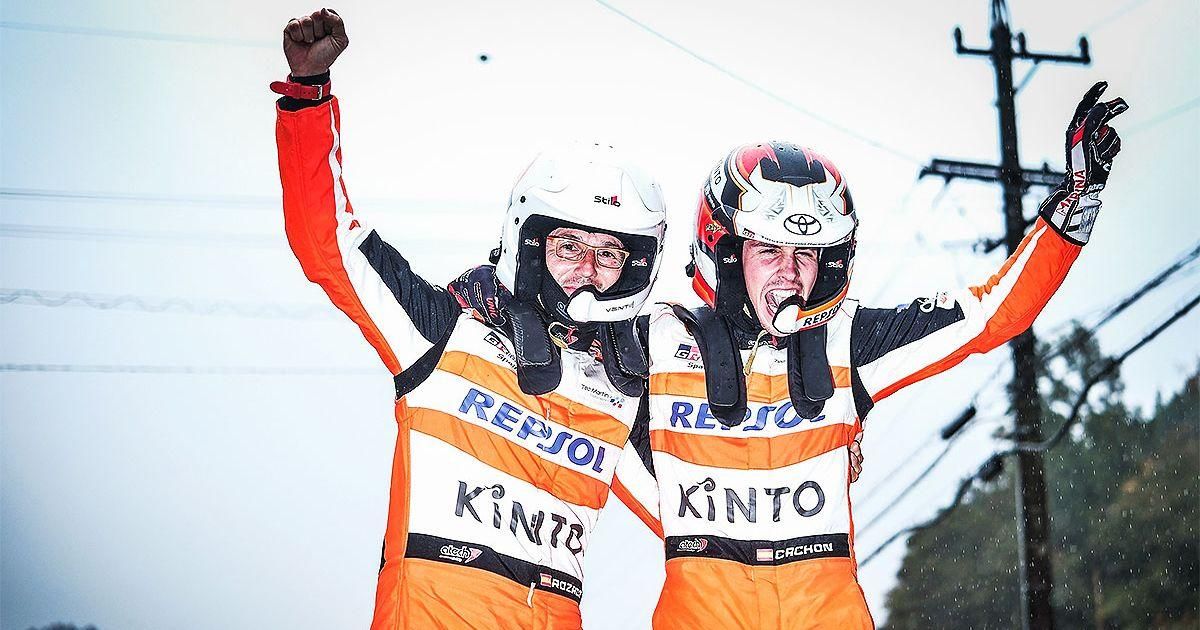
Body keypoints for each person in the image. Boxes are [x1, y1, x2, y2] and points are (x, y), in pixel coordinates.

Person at [453, 82, 1127, 628]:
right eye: (769, 250)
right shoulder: (651, 341)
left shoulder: (848, 342)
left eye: (808, 254)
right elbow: (545, 333)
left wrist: (1075, 202)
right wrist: (489, 290)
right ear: (725, 250)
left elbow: (988, 315)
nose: (790, 272)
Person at [272, 9, 668, 629]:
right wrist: (308, 97)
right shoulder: (443, 330)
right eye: (569, 247)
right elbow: (329, 244)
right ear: (529, 244)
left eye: (610, 254)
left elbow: (714, 521)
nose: (588, 270)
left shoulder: (624, 388)